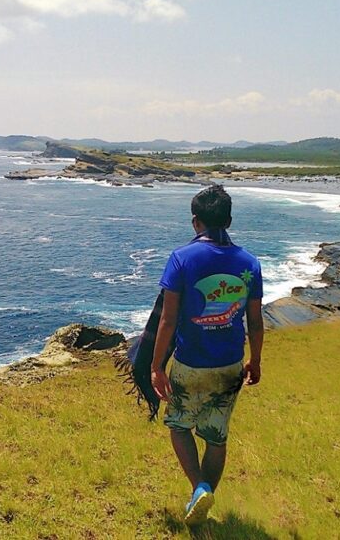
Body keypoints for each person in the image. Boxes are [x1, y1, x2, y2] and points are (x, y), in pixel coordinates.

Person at [150, 185, 265, 526]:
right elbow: (255, 321)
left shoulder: (182, 258)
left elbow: (168, 319)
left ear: (195, 221)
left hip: (190, 362)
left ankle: (200, 488)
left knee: (178, 425)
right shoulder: (250, 263)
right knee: (216, 437)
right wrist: (255, 360)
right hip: (230, 364)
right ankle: (201, 500)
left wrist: (156, 366)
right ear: (228, 221)